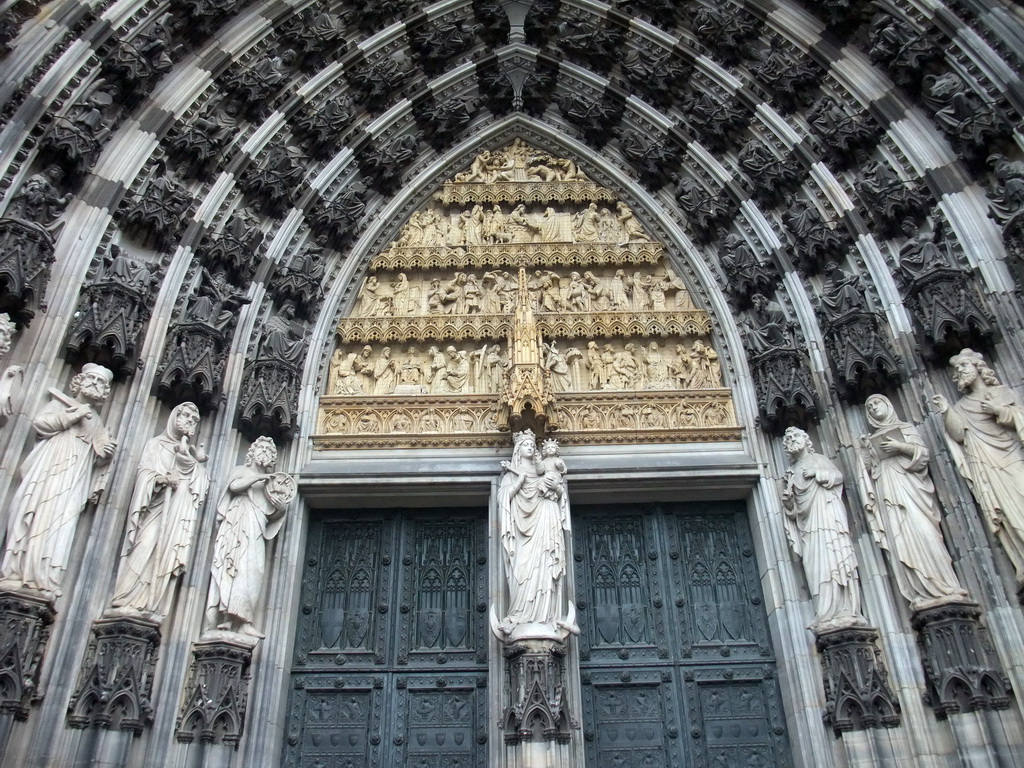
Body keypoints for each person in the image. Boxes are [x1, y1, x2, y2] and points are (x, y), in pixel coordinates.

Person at [0, 364, 116, 596]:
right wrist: (73, 415)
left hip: (74, 479)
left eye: (101, 382)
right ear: (79, 381)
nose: (95, 383)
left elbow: (99, 454)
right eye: (91, 378)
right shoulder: (59, 404)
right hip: (50, 469)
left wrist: (105, 454)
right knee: (34, 512)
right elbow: (41, 425)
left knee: (62, 523)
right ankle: (19, 569)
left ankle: (46, 575)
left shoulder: (98, 423)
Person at [860, 395, 967, 609]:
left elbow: (923, 456)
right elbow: (869, 470)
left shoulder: (905, 429)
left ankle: (944, 584)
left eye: (877, 403)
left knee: (925, 533)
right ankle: (919, 590)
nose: (873, 407)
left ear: (888, 405)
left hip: (912, 490)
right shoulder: (872, 438)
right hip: (888, 493)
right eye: (869, 406)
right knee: (901, 541)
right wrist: (866, 452)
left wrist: (900, 446)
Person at [108, 402, 210, 621]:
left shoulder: (190, 455)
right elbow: (144, 472)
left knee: (165, 550)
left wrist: (194, 467)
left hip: (174, 515)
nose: (190, 422)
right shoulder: (156, 444)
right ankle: (128, 597)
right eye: (186, 417)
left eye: (194, 420)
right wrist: (161, 479)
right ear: (174, 416)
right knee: (145, 544)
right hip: (155, 508)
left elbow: (197, 488)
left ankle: (150, 604)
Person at [933, 349, 1024, 586]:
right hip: (988, 466)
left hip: (1012, 458)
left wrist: (999, 410)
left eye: (963, 366)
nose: (959, 372)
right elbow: (960, 434)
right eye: (956, 369)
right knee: (1009, 514)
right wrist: (946, 411)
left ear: (977, 367)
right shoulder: (962, 406)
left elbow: (1019, 418)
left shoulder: (1001, 392)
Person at [206, 437, 295, 638]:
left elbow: (272, 514)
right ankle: (227, 619)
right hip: (237, 527)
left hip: (255, 530)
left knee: (254, 570)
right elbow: (234, 486)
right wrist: (257, 478)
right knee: (235, 567)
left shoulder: (272, 483)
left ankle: (244, 621)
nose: (264, 452)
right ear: (252, 453)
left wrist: (280, 508)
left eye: (269, 450)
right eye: (261, 448)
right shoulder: (242, 472)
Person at [780, 427, 865, 632]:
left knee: (833, 561)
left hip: (827, 521)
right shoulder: (790, 473)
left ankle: (843, 611)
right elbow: (793, 513)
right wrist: (789, 502)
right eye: (788, 438)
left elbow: (837, 477)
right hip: (809, 529)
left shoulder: (818, 460)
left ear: (806, 439)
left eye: (795, 436)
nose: (791, 440)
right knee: (815, 566)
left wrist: (818, 473)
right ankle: (825, 612)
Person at [495, 430, 576, 640]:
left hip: (545, 520)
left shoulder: (545, 471)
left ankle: (547, 617)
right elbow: (504, 497)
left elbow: (559, 494)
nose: (531, 447)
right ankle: (519, 617)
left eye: (533, 444)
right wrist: (519, 481)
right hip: (521, 529)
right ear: (518, 449)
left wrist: (558, 488)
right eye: (526, 444)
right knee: (522, 570)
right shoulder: (513, 474)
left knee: (545, 563)